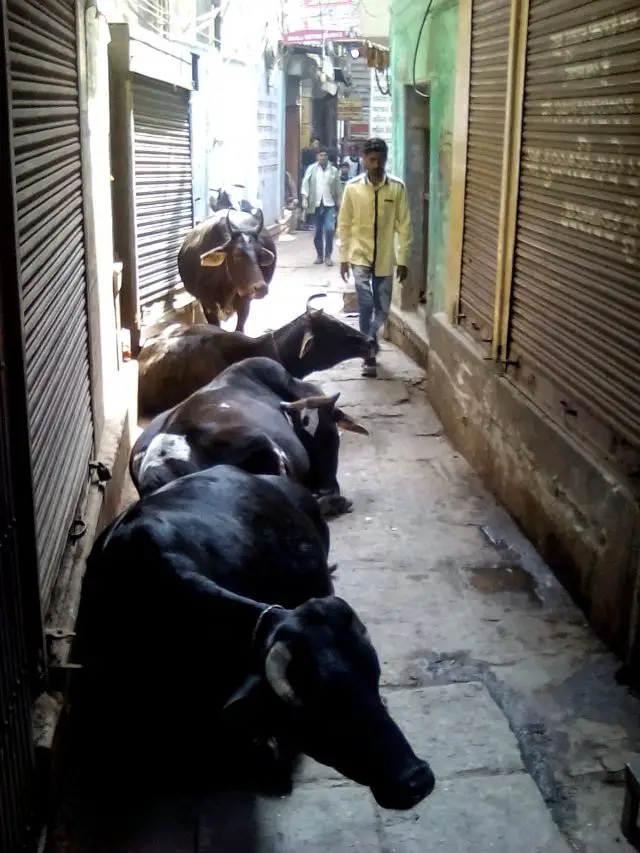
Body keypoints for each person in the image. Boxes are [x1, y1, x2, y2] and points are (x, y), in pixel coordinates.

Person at [337, 138, 411, 378]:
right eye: (371, 159)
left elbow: (405, 226)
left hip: (386, 259)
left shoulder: (397, 188)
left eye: (380, 159)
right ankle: (368, 353)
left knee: (383, 309)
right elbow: (344, 224)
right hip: (359, 255)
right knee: (365, 303)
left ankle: (369, 337)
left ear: (385, 159)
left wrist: (403, 259)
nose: (376, 163)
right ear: (364, 160)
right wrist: (344, 257)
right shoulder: (352, 188)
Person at [301, 145, 343, 267]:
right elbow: (305, 184)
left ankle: (328, 256)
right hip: (316, 204)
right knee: (318, 231)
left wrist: (339, 203)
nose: (323, 157)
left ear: (327, 157)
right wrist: (304, 198)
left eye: (325, 155)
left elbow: (337, 188)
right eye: (321, 155)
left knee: (330, 229)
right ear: (317, 157)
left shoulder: (333, 170)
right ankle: (319, 255)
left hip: (329, 204)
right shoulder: (312, 169)